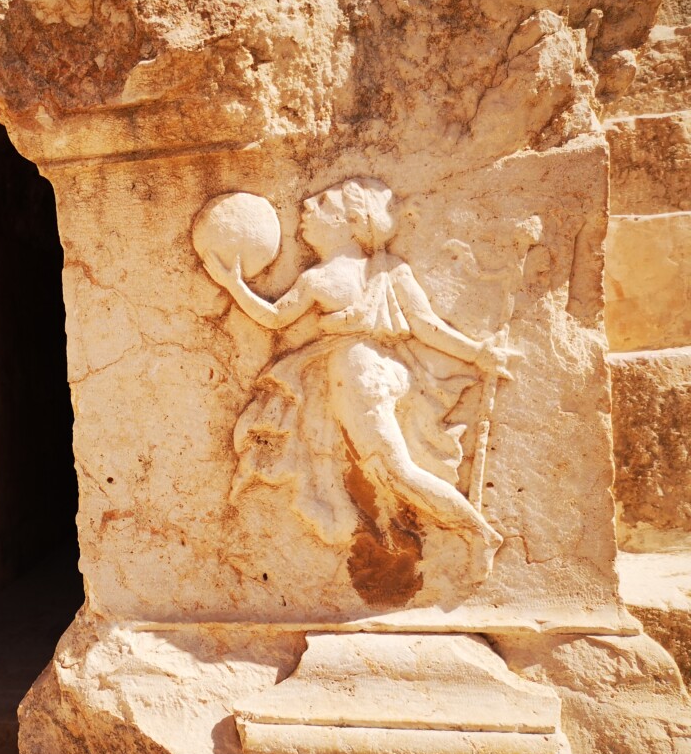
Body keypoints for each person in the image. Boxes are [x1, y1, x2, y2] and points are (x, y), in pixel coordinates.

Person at [193, 178, 514, 580]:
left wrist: (233, 286)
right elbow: (425, 326)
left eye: (324, 201)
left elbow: (275, 320)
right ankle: (409, 533)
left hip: (358, 376)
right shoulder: (375, 271)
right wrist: (478, 353)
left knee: (394, 471)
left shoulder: (332, 279)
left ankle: (477, 534)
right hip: (377, 372)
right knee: (377, 468)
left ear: (350, 221)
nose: (308, 205)